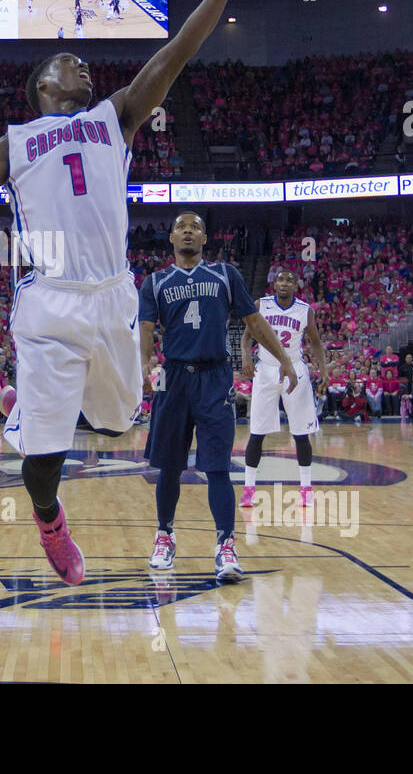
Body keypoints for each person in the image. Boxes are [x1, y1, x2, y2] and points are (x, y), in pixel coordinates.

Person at [0, 0, 281, 587]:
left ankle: (47, 403)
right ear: (40, 85)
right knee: (43, 458)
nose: (81, 64)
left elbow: (180, 48)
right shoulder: (12, 143)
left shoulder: (117, 115)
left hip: (112, 296)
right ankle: (50, 517)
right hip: (50, 300)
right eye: (66, 59)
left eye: (82, 60)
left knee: (117, 417)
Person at [140, 211, 294, 580]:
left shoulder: (226, 274)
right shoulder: (155, 282)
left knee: (218, 468)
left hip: (215, 378)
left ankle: (226, 545)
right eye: (181, 227)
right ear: (172, 238)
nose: (188, 231)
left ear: (205, 238)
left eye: (195, 227)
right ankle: (165, 534)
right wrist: (144, 365)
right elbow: (146, 329)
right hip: (174, 377)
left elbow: (254, 322)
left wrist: (285, 359)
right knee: (170, 466)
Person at [240, 268, 326, 509]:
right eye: (281, 279)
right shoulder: (261, 305)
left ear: (296, 286)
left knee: (301, 433)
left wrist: (324, 371)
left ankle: (306, 489)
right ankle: (248, 490)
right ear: (274, 283)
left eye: (290, 280)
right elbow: (247, 337)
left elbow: (316, 344)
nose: (285, 283)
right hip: (265, 369)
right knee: (257, 432)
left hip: (295, 370)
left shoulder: (305, 310)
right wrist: (246, 357)